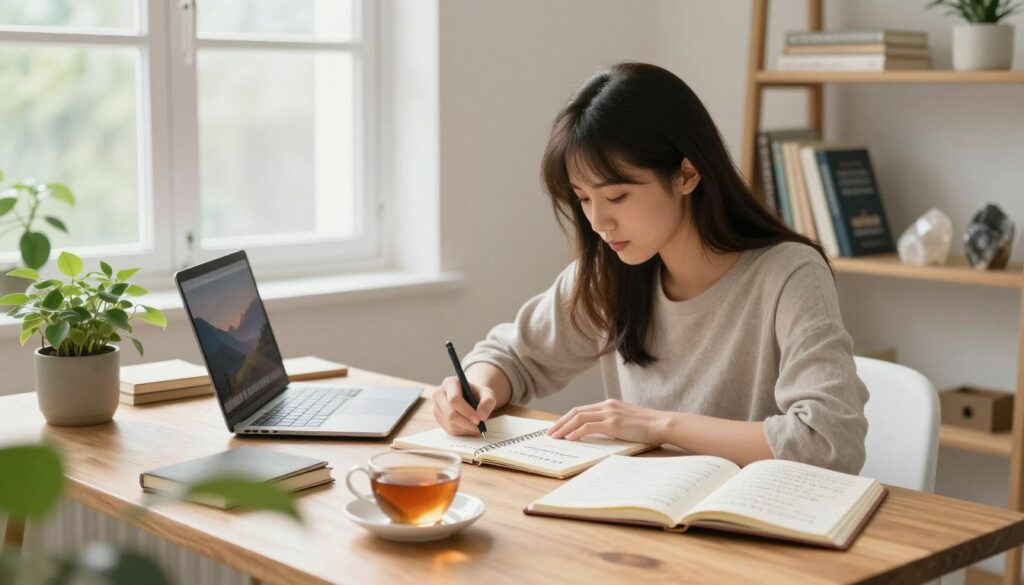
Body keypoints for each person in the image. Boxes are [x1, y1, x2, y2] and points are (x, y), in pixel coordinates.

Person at [432, 62, 868, 474]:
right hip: (644, 526)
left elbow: (828, 443)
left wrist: (658, 425)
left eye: (617, 196)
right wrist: (474, 389)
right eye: (584, 199)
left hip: (755, 528)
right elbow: (513, 356)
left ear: (686, 175)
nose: (598, 222)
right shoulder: (609, 273)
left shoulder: (788, 275)